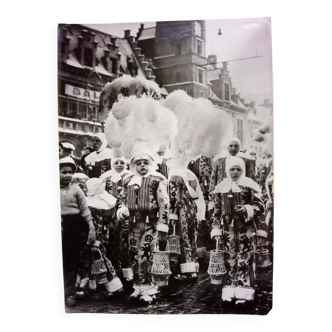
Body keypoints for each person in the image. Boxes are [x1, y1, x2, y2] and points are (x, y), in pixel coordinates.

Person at [116, 142, 170, 303]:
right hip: (133, 224)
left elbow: (164, 203)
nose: (142, 166)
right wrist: (122, 209)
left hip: (150, 223)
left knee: (146, 254)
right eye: (138, 163)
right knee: (133, 254)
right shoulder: (128, 180)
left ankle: (149, 288)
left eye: (145, 163)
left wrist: (162, 225)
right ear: (133, 165)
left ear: (151, 164)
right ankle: (137, 286)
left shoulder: (156, 180)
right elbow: (121, 199)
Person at [210, 156, 265, 304]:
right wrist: (216, 229)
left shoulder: (249, 186)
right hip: (227, 230)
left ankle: (244, 289)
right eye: (232, 169)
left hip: (245, 228)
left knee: (245, 258)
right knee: (229, 258)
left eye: (238, 169)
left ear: (243, 170)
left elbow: (261, 207)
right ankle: (229, 287)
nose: (235, 172)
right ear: (228, 170)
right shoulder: (221, 187)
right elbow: (216, 211)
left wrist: (247, 208)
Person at [59, 157, 96, 308]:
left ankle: (69, 292)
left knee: (70, 260)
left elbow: (85, 210)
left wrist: (91, 227)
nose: (68, 175)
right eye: (63, 172)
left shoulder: (76, 189)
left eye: (70, 172)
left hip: (73, 226)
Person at [168, 149, 205, 282]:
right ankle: (191, 267)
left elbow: (173, 198)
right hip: (191, 209)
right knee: (190, 236)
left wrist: (171, 214)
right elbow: (198, 195)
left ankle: (182, 268)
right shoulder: (191, 174)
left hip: (180, 211)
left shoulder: (174, 175)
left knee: (181, 237)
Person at [84, 177, 123, 297]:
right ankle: (104, 284)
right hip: (107, 233)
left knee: (97, 257)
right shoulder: (110, 200)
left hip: (95, 233)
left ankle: (106, 284)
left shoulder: (88, 202)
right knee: (103, 257)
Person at [99, 157, 131, 276]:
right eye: (116, 163)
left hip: (125, 212)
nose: (119, 165)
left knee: (125, 238)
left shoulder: (130, 177)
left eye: (122, 162)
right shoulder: (106, 177)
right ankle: (114, 268)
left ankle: (127, 268)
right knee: (112, 238)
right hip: (111, 212)